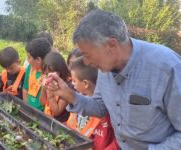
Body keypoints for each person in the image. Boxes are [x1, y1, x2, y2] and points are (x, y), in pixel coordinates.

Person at [46, 9, 181, 149]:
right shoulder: (105, 68)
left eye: (87, 55)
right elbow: (100, 107)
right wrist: (68, 93)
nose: (86, 63)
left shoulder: (167, 68)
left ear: (111, 45)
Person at [68, 57, 119, 150]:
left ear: (85, 83)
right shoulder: (79, 101)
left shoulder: (108, 106)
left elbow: (119, 140)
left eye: (74, 80)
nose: (72, 84)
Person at [40, 51, 70, 123]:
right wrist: (44, 89)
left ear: (60, 70)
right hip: (49, 119)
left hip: (61, 124)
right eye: (46, 74)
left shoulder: (66, 86)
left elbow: (57, 111)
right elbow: (42, 102)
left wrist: (50, 95)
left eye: (51, 73)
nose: (49, 77)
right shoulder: (49, 83)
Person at [23, 38, 51, 111]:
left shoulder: (50, 75)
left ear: (38, 60)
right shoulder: (30, 68)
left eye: (29, 57)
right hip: (29, 110)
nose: (27, 60)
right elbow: (25, 89)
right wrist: (27, 108)